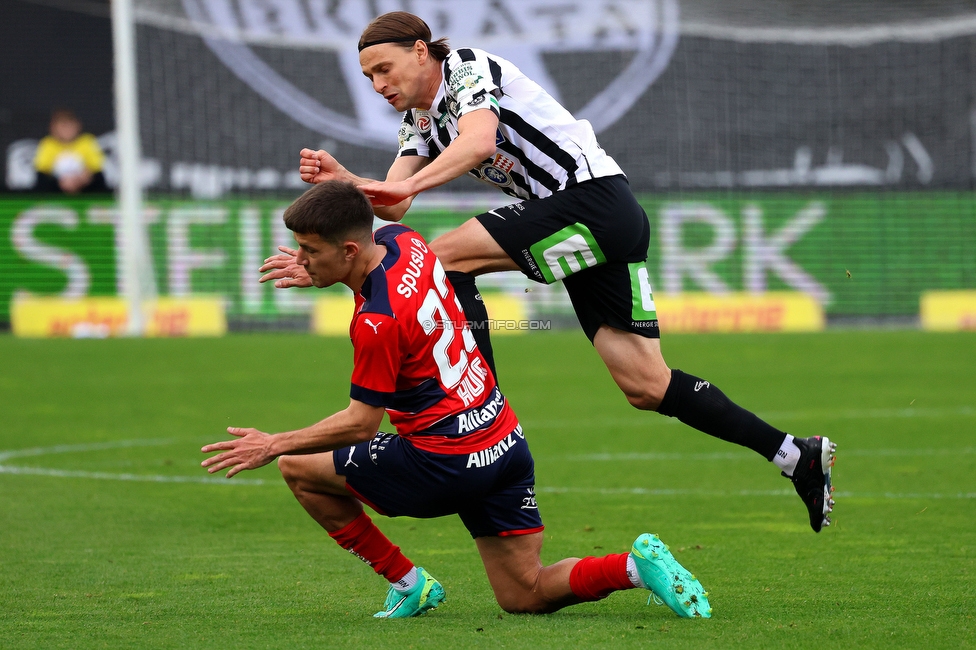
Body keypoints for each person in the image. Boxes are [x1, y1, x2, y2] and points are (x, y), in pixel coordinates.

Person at [261, 11, 836, 533]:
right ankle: (793, 454)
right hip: (590, 224)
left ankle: (476, 414)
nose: (380, 84)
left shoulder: (464, 69)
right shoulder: (418, 120)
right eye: (368, 78)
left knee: (442, 256)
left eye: (385, 68)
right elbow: (392, 206)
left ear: (420, 51)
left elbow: (478, 140)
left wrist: (401, 185)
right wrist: (349, 181)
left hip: (593, 204)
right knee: (646, 385)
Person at [202, 180, 711, 619]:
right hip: (504, 442)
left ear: (349, 250)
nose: (300, 259)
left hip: (444, 462)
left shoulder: (376, 325)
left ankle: (408, 583)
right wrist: (321, 274)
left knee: (296, 466)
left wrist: (273, 443)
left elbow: (360, 423)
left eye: (309, 251)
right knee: (524, 593)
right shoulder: (407, 242)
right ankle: (633, 567)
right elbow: (382, 282)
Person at [33, 109, 108, 194]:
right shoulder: (48, 144)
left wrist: (82, 179)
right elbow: (42, 174)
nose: (67, 130)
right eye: (63, 126)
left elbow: (97, 171)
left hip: (85, 190)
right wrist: (61, 182)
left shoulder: (87, 141)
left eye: (70, 125)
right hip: (56, 192)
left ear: (78, 126)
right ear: (53, 128)